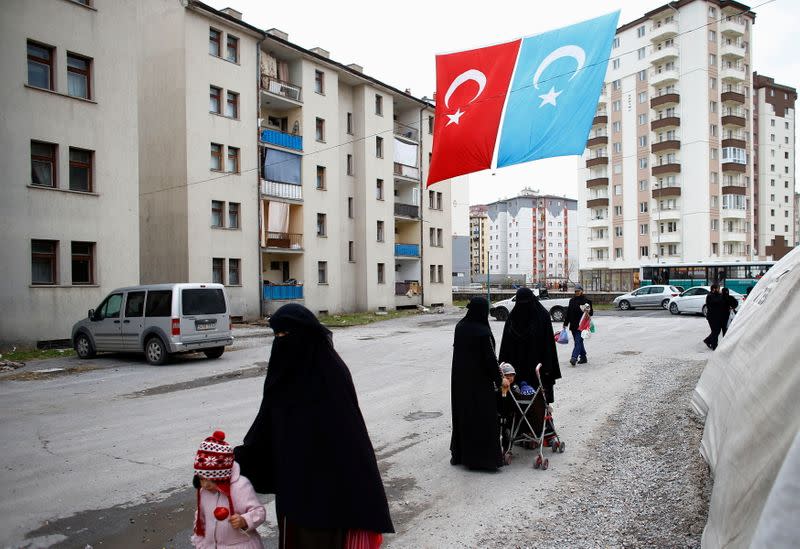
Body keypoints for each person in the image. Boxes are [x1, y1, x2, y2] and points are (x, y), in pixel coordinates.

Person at [234, 304, 393, 549]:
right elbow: (264, 428)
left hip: (329, 494)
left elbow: (351, 437)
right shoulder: (282, 375)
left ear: (306, 335)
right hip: (293, 487)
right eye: (276, 336)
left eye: (285, 335)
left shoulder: (331, 373)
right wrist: (229, 465)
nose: (280, 342)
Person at [450, 297, 507, 471]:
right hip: (480, 384)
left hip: (460, 382)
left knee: (464, 417)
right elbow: (490, 360)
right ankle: (485, 460)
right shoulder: (483, 332)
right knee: (484, 419)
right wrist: (500, 379)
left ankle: (461, 455)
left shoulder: (460, 327)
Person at [191, 431, 266, 549]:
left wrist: (244, 520)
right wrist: (200, 541)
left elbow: (259, 512)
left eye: (210, 479)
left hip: (241, 545)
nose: (205, 484)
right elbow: (200, 516)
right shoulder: (203, 492)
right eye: (201, 479)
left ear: (221, 477)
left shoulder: (241, 487)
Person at [499, 287, 561, 404]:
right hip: (537, 367)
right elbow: (549, 346)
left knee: (520, 400)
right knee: (535, 402)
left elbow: (505, 347)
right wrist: (548, 367)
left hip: (520, 367)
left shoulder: (513, 317)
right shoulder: (542, 316)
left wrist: (503, 365)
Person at [563, 284, 594, 366]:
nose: (576, 292)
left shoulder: (587, 301)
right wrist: (565, 323)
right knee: (579, 342)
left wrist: (587, 310)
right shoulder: (572, 301)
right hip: (573, 325)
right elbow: (568, 313)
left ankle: (574, 358)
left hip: (582, 325)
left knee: (578, 341)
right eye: (575, 291)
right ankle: (583, 357)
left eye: (578, 291)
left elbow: (591, 313)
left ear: (581, 291)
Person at [703, 284, 727, 350]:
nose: (719, 290)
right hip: (712, 317)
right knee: (715, 331)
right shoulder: (710, 296)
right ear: (714, 289)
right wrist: (721, 295)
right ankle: (714, 346)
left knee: (716, 331)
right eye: (718, 289)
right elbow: (716, 301)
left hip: (716, 317)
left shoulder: (715, 295)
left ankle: (708, 340)